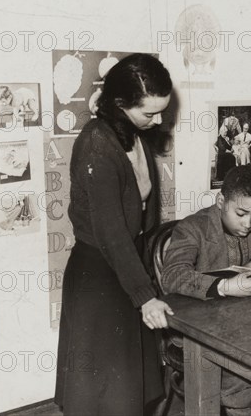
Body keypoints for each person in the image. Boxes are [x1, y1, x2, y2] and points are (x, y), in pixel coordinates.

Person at [55, 53, 174, 415]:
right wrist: (145, 296)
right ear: (120, 104)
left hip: (126, 264)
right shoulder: (96, 145)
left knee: (128, 392)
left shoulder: (132, 134)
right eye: (149, 113)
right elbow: (111, 231)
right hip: (100, 275)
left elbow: (140, 217)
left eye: (162, 112)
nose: (158, 122)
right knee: (103, 394)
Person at [162, 165, 251, 416]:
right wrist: (222, 286)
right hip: (197, 335)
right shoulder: (193, 228)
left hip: (246, 331)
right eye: (241, 213)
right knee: (243, 388)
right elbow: (172, 276)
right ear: (221, 201)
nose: (248, 224)